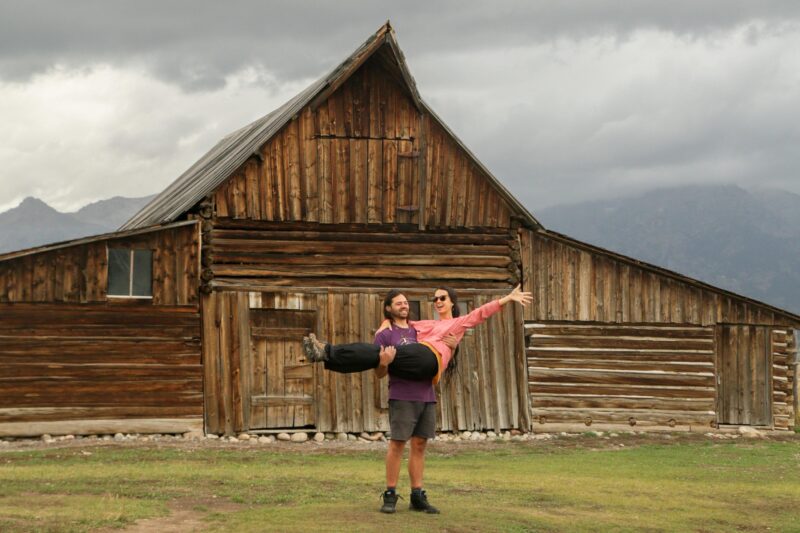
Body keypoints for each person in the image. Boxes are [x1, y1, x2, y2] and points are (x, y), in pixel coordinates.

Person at [303, 285, 532, 385]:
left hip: (429, 358)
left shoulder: (458, 324)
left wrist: (506, 299)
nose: (438, 301)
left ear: (452, 302)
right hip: (415, 362)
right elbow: (402, 320)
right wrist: (386, 321)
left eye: (443, 298)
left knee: (376, 353)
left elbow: (480, 314)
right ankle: (323, 355)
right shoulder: (424, 324)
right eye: (435, 299)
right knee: (375, 356)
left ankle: (325, 352)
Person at [372, 289, 458, 515]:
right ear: (388, 308)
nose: (404, 305)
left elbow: (441, 349)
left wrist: (454, 345)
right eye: (398, 303)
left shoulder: (418, 330)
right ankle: (390, 493)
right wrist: (384, 362)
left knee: (420, 446)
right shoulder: (384, 335)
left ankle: (417, 495)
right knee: (398, 444)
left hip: (427, 393)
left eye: (405, 302)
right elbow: (379, 373)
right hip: (402, 394)